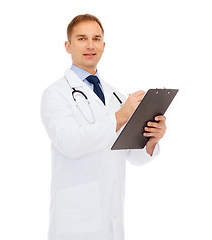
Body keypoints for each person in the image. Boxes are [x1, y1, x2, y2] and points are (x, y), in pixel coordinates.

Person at [41, 14, 166, 240]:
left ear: (104, 45)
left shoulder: (116, 95)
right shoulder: (55, 94)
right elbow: (70, 144)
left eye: (96, 39)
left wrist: (151, 139)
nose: (90, 45)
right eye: (81, 38)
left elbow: (133, 156)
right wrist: (120, 117)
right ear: (68, 46)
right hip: (75, 220)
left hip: (112, 216)